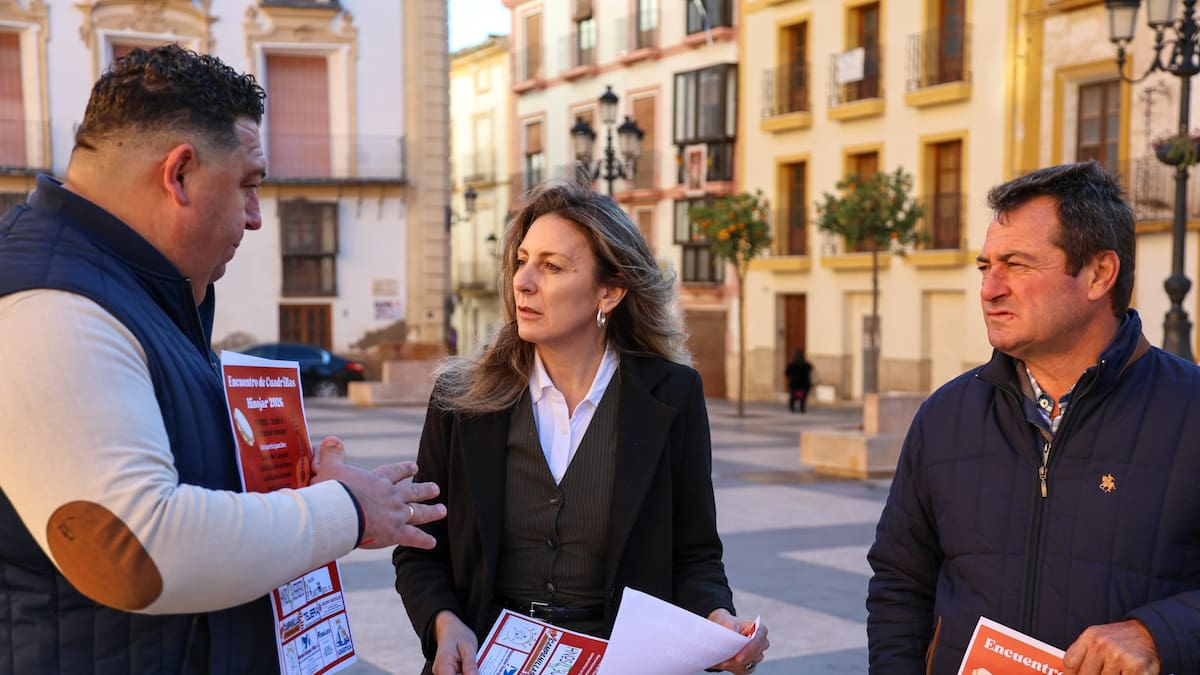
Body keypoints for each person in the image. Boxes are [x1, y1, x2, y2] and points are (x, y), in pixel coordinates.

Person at [0, 44, 446, 672]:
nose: (257, 218)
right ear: (179, 175)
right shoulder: (47, 303)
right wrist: (344, 509)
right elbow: (134, 551)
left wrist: (282, 485)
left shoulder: (135, 292)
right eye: (248, 185)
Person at [393, 180, 769, 675]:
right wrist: (444, 622)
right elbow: (420, 549)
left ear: (609, 292)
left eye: (552, 267)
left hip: (622, 662)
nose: (523, 281)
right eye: (523, 260)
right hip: (485, 660)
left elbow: (694, 553)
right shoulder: (459, 398)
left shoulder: (673, 395)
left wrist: (719, 620)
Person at [866, 161, 1200, 674]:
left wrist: (1160, 633)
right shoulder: (946, 415)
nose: (990, 288)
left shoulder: (1189, 411)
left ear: (1098, 274)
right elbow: (899, 585)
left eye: (1017, 265)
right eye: (985, 267)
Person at [784, 348, 814, 413]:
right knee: (802, 398)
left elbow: (786, 373)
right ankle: (802, 407)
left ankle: (793, 408)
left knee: (793, 398)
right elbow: (811, 370)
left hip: (795, 386)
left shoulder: (792, 364)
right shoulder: (807, 364)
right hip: (804, 386)